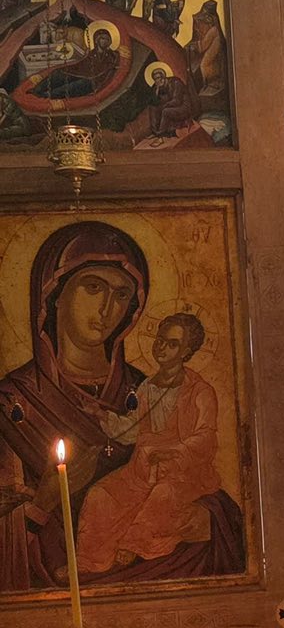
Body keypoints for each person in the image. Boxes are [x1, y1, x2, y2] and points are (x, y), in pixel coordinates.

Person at [0, 222, 244, 587]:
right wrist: (43, 502)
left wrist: (203, 519)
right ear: (54, 292)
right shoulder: (13, 402)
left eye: (122, 294)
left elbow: (223, 510)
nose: (107, 308)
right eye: (93, 287)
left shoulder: (145, 385)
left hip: (168, 587)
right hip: (54, 598)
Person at [76, 313, 222, 571]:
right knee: (100, 495)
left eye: (173, 344)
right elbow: (133, 429)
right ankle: (89, 562)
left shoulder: (200, 391)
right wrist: (100, 414)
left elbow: (206, 437)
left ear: (187, 351)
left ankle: (134, 546)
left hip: (183, 473)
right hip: (141, 469)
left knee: (161, 496)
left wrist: (173, 451)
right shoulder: (146, 387)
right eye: (160, 340)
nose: (162, 347)